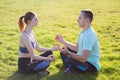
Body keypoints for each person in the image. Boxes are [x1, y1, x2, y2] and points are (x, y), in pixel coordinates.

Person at [55, 9, 100, 75]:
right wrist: (62, 41)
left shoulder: (89, 36)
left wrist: (68, 53)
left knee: (69, 59)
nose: (77, 19)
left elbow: (83, 58)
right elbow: (76, 48)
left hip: (90, 65)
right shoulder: (82, 32)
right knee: (63, 52)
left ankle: (73, 68)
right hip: (82, 59)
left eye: (80, 18)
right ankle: (72, 68)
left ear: (87, 20)